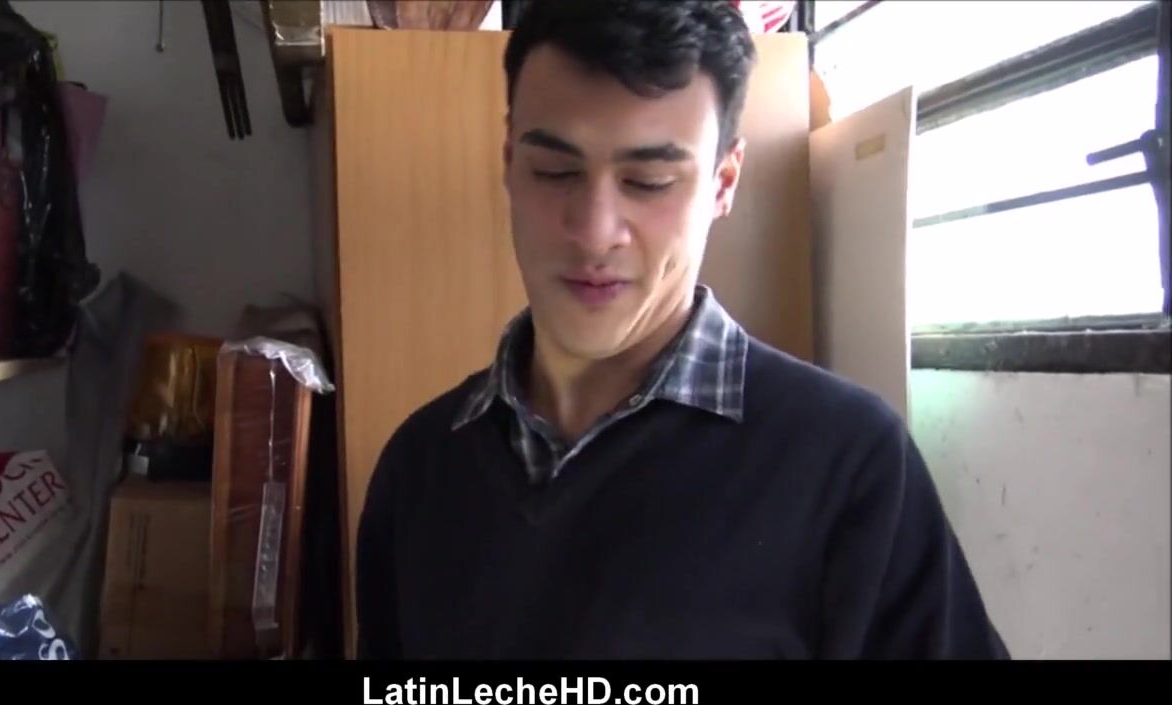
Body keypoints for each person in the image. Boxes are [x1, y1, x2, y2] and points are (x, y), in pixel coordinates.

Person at [356, 0, 1009, 659]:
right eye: (555, 171)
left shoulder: (848, 463)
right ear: (508, 164)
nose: (594, 231)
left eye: (649, 181)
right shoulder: (419, 467)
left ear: (723, 183)